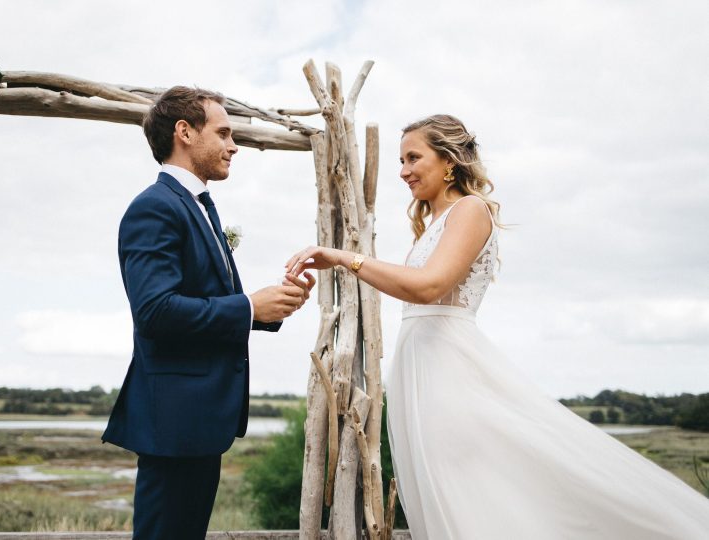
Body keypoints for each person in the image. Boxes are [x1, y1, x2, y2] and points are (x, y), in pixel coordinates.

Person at [286, 114, 709, 539]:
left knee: (472, 487)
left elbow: (429, 286)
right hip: (421, 370)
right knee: (449, 486)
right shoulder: (434, 223)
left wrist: (345, 258)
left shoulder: (471, 210)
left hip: (451, 371)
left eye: (414, 158)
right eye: (400, 160)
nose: (403, 171)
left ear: (449, 161)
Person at [102, 86, 314, 539]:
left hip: (196, 421)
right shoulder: (155, 208)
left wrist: (271, 307)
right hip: (174, 421)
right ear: (184, 132)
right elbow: (156, 312)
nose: (234, 145)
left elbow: (205, 299)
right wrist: (247, 306)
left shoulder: (199, 207)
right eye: (223, 133)